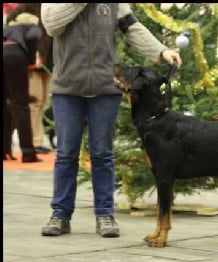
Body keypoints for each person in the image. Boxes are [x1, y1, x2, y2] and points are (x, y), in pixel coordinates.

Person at [40, 3, 182, 238]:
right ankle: (60, 215)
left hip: (106, 90)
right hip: (67, 88)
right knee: (66, 154)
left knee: (102, 154)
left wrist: (161, 52)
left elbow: (133, 28)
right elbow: (52, 25)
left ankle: (105, 215)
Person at [7, 3, 54, 154]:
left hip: (48, 62)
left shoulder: (53, 7)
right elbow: (10, 20)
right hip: (30, 63)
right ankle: (35, 141)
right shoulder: (26, 7)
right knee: (33, 101)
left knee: (42, 101)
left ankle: (37, 139)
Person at [3, 12, 43, 162]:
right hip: (15, 56)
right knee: (20, 104)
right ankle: (28, 153)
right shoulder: (31, 27)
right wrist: (31, 61)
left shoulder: (7, 29)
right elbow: (34, 37)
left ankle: (4, 151)